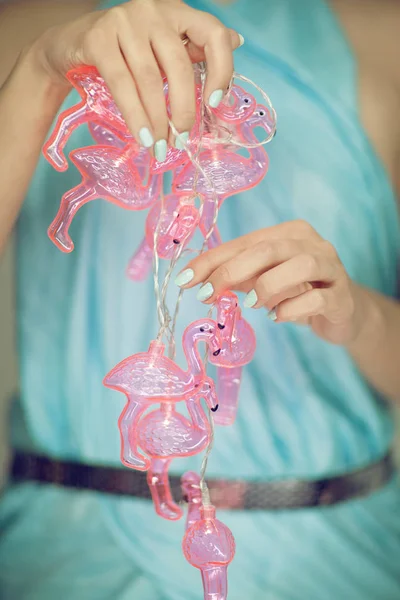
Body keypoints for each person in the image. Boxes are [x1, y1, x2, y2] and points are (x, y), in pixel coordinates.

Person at [0, 0, 400, 598]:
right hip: (68, 560)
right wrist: (38, 73)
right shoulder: (27, 33)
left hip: (326, 557)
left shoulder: (383, 43)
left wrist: (358, 315)